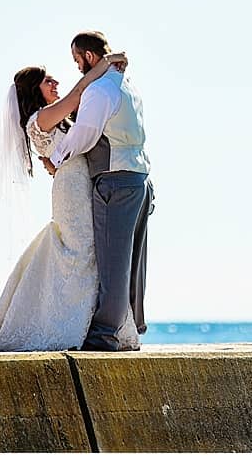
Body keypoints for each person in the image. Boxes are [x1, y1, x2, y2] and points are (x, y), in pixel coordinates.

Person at [0, 50, 137, 352]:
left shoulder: (58, 118)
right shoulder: (41, 118)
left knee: (92, 251)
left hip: (80, 184)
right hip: (71, 190)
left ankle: (94, 325)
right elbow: (79, 92)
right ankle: (70, 327)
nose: (54, 82)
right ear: (34, 90)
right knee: (82, 250)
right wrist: (105, 63)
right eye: (47, 80)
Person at [50, 31, 154, 352]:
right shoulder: (128, 87)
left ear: (90, 57)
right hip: (140, 177)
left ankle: (105, 334)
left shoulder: (99, 91)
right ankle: (129, 327)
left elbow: (85, 136)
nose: (77, 66)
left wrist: (56, 159)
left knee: (112, 262)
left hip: (114, 180)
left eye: (77, 59)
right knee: (134, 263)